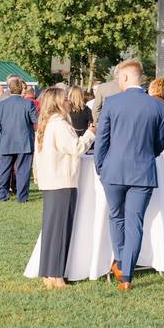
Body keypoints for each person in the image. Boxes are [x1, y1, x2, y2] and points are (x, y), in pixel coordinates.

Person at [95, 59, 164, 291]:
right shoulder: (157, 106)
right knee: (135, 222)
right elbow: (159, 144)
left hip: (113, 171)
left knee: (116, 217)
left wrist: (101, 167)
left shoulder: (112, 103)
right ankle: (126, 276)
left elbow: (101, 141)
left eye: (118, 79)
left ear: (125, 77)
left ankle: (122, 262)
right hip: (143, 171)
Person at [34, 86, 96, 289]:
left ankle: (48, 274)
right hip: (62, 181)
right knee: (60, 228)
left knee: (51, 228)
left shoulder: (47, 124)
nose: (70, 102)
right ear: (59, 103)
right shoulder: (59, 125)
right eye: (66, 99)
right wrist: (90, 134)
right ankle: (57, 275)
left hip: (51, 180)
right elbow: (76, 147)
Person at [0, 76, 38, 202]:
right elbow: (36, 121)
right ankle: (22, 196)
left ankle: (2, 195)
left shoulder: (1, 105)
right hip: (24, 141)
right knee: (23, 170)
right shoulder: (28, 103)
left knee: (4, 169)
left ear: (9, 89)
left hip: (5, 140)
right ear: (21, 89)